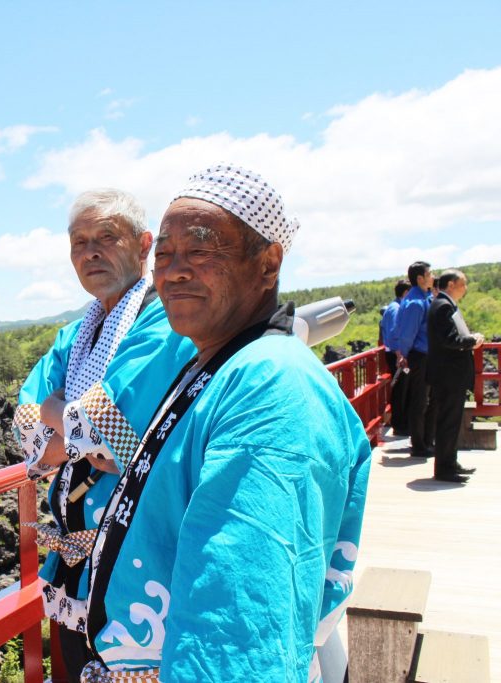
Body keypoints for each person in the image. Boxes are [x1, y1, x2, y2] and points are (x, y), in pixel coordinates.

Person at [80, 164, 372, 682]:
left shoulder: (272, 389)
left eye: (200, 251)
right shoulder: (217, 363)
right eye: (164, 255)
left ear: (267, 263)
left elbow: (238, 622)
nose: (173, 271)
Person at [13, 189, 194, 678]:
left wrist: (61, 414)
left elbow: (106, 434)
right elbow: (28, 431)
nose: (89, 252)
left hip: (138, 562)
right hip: (75, 565)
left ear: (142, 246)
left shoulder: (164, 321)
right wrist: (71, 426)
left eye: (105, 237)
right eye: (78, 242)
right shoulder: (71, 337)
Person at [427, 269, 485, 483]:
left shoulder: (444, 304)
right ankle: (444, 468)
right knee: (447, 422)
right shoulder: (442, 306)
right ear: (451, 284)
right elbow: (449, 339)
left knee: (451, 422)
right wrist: (472, 340)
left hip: (449, 376)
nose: (465, 288)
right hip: (448, 376)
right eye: (463, 283)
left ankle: (450, 463)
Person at [394, 261, 435, 458]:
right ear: (420, 278)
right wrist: (404, 354)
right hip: (418, 356)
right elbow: (408, 333)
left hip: (423, 355)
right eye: (430, 273)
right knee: (419, 402)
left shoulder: (422, 298)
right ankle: (419, 445)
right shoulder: (416, 303)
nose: (432, 276)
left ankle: (425, 441)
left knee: (423, 401)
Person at [381, 280, 411, 435]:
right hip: (396, 355)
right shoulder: (397, 308)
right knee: (400, 389)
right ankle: (399, 425)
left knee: (401, 388)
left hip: (395, 353)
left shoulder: (395, 307)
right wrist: (400, 355)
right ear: (406, 293)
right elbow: (393, 335)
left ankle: (400, 422)